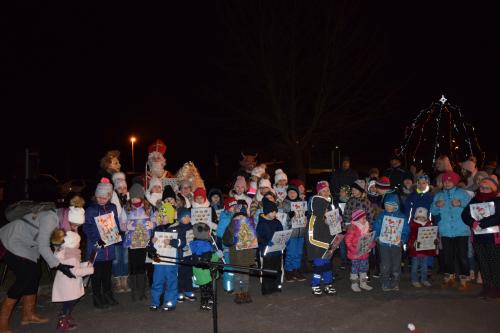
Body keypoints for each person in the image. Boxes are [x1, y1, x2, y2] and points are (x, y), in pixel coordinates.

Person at [0, 203, 77, 332]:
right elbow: (43, 247)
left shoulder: (61, 220)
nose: (74, 228)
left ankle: (28, 315)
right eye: (74, 225)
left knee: (35, 273)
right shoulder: (51, 218)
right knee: (25, 276)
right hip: (11, 239)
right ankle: (2, 321)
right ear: (68, 218)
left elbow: (53, 243)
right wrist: (59, 266)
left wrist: (62, 257)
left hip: (28, 244)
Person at [83, 178, 121, 308]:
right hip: (97, 247)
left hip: (108, 248)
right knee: (96, 274)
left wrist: (117, 235)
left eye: (104, 197)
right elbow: (86, 227)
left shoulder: (113, 207)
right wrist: (96, 240)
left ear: (109, 196)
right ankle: (97, 297)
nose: (101, 200)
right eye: (99, 197)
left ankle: (107, 294)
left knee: (107, 273)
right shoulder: (91, 209)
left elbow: (115, 223)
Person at [430, 171, 471, 290]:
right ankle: (449, 277)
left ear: (455, 182)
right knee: (447, 256)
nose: (447, 183)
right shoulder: (439, 195)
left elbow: (471, 208)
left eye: (450, 181)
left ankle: (464, 279)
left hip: (461, 230)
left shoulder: (462, 193)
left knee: (462, 256)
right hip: (446, 230)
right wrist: (437, 205)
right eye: (445, 181)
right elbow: (433, 211)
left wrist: (461, 203)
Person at [462, 177, 500, 298]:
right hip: (478, 238)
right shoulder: (475, 199)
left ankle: (496, 288)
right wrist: (472, 223)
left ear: (493, 188)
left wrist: (483, 223)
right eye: (482, 188)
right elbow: (465, 214)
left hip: (493, 237)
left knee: (494, 263)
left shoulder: (497, 200)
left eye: (487, 188)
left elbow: (498, 217)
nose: (483, 190)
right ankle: (486, 287)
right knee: (483, 263)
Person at [51, 231, 94, 330]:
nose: (79, 243)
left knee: (69, 301)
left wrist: (84, 264)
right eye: (78, 242)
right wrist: (90, 270)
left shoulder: (67, 252)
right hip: (69, 285)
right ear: (72, 243)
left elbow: (74, 267)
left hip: (66, 284)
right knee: (71, 301)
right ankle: (63, 321)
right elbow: (76, 271)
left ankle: (65, 314)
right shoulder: (71, 257)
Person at [120, 183, 155, 301]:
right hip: (132, 242)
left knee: (141, 266)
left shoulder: (148, 208)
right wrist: (126, 227)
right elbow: (121, 223)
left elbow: (156, 219)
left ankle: (142, 291)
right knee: (133, 266)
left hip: (144, 241)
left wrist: (153, 224)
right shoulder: (126, 208)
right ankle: (134, 291)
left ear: (141, 197)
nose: (135, 199)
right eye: (133, 197)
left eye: (137, 197)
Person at [147, 202, 185, 311]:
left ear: (171, 215)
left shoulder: (178, 228)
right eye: (161, 216)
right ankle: (155, 302)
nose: (162, 218)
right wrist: (151, 242)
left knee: (171, 281)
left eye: (165, 215)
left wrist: (172, 242)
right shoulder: (157, 229)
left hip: (171, 261)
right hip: (159, 260)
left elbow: (182, 242)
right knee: (157, 281)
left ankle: (169, 303)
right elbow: (150, 247)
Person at [373, 193, 409, 291]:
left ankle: (395, 282)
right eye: (386, 204)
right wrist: (377, 237)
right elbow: (376, 227)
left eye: (391, 205)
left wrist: (402, 240)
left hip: (396, 245)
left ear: (396, 205)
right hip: (384, 244)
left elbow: (405, 230)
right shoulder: (381, 216)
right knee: (385, 264)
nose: (388, 207)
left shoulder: (402, 217)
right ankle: (385, 282)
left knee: (396, 265)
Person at [306, 181, 337, 296]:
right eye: (324, 208)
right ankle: (315, 285)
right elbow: (311, 239)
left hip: (328, 248)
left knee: (328, 266)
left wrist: (335, 241)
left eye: (327, 208)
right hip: (317, 249)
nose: (326, 210)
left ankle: (328, 284)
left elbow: (333, 231)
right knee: (318, 267)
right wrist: (326, 246)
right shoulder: (313, 220)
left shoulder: (327, 217)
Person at [223, 213, 257, 304]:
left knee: (246, 277)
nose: (240, 219)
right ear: (233, 219)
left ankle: (245, 292)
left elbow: (254, 239)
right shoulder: (230, 228)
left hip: (246, 256)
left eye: (243, 217)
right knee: (237, 277)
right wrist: (232, 239)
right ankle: (238, 293)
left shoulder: (249, 226)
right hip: (236, 257)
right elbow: (225, 241)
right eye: (238, 217)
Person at [257, 198, 284, 295]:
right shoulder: (261, 224)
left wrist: (283, 239)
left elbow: (281, 232)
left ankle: (277, 286)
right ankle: (267, 289)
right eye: (272, 212)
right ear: (267, 212)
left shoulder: (277, 222)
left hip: (277, 250)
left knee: (277, 269)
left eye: (275, 212)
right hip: (267, 251)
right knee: (268, 270)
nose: (274, 214)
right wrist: (266, 242)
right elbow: (258, 238)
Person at [110, 172, 130, 293]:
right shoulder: (113, 202)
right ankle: (117, 281)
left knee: (126, 258)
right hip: (115, 233)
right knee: (117, 258)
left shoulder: (128, 199)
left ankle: (125, 281)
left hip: (127, 233)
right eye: (120, 188)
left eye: (124, 188)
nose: (122, 190)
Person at [282, 185, 307, 282]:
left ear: (297, 193)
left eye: (294, 192)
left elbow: (305, 215)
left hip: (300, 232)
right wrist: (290, 216)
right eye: (290, 192)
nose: (292, 194)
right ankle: (288, 271)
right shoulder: (285, 203)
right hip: (291, 232)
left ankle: (296, 270)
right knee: (291, 253)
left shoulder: (301, 203)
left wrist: (305, 218)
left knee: (299, 253)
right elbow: (283, 218)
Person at [345, 209, 373, 292]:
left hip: (364, 253)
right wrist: (354, 250)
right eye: (362, 218)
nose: (365, 220)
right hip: (355, 254)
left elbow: (369, 239)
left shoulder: (366, 227)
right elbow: (348, 241)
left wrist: (370, 245)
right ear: (357, 219)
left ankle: (363, 283)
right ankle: (354, 284)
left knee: (364, 269)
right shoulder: (352, 228)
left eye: (365, 218)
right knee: (355, 269)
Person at [408, 207, 435, 288]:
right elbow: (410, 237)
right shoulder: (413, 225)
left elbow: (432, 236)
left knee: (424, 266)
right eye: (419, 217)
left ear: (426, 217)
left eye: (423, 217)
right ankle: (414, 280)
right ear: (416, 217)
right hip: (416, 251)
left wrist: (435, 240)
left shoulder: (429, 225)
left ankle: (424, 279)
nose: (421, 219)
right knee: (415, 266)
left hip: (425, 250)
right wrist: (413, 242)